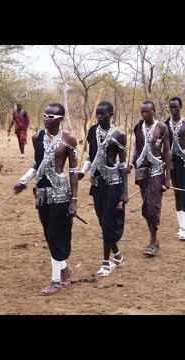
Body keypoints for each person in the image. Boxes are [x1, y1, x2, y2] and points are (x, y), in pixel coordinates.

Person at [13, 103, 78, 296]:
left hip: (60, 193)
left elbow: (73, 171)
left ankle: (55, 282)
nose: (46, 118)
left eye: (51, 116)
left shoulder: (68, 140)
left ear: (60, 119)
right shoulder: (36, 137)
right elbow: (37, 164)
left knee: (57, 235)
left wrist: (74, 200)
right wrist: (22, 181)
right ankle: (64, 269)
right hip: (42, 194)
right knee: (49, 235)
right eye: (44, 115)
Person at [78, 101, 128, 277]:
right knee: (102, 222)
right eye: (97, 114)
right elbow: (90, 157)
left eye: (103, 114)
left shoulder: (119, 135)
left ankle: (107, 263)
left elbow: (123, 165)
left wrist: (124, 192)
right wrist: (82, 172)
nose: (99, 117)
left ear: (111, 114)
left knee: (107, 221)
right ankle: (118, 254)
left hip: (114, 184)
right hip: (97, 184)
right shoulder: (92, 131)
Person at [128, 100, 171, 257]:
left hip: (156, 171)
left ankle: (153, 241)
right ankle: (154, 239)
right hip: (141, 170)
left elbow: (167, 152)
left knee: (153, 205)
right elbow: (137, 148)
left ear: (154, 111)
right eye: (142, 111)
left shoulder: (162, 128)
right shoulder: (138, 127)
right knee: (146, 206)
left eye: (147, 111)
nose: (144, 114)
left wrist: (167, 177)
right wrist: (131, 164)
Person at [164, 97, 185, 240]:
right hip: (173, 162)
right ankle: (181, 227)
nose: (173, 110)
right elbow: (164, 146)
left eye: (176, 107)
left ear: (181, 107)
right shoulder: (165, 124)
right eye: (171, 107)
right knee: (177, 193)